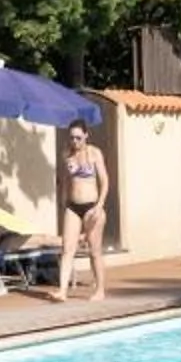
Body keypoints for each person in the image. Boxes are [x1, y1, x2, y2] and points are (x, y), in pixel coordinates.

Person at [54, 122, 112, 302]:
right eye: (71, 137)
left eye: (78, 137)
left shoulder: (94, 153)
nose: (75, 141)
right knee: (67, 249)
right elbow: (64, 180)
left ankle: (100, 289)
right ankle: (62, 291)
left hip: (92, 206)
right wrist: (63, 201)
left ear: (86, 135)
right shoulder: (67, 154)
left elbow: (105, 181)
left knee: (94, 251)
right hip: (73, 207)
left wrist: (100, 205)